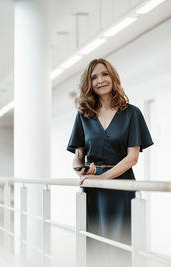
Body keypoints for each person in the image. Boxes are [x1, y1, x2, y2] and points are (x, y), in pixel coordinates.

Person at [66, 58, 153, 267]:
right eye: (94, 77)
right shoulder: (84, 115)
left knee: (120, 248)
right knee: (93, 247)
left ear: (113, 77)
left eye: (104, 74)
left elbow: (133, 157)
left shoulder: (131, 113)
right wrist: (80, 169)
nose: (100, 80)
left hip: (120, 187)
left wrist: (104, 178)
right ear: (89, 83)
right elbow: (78, 155)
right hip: (94, 190)